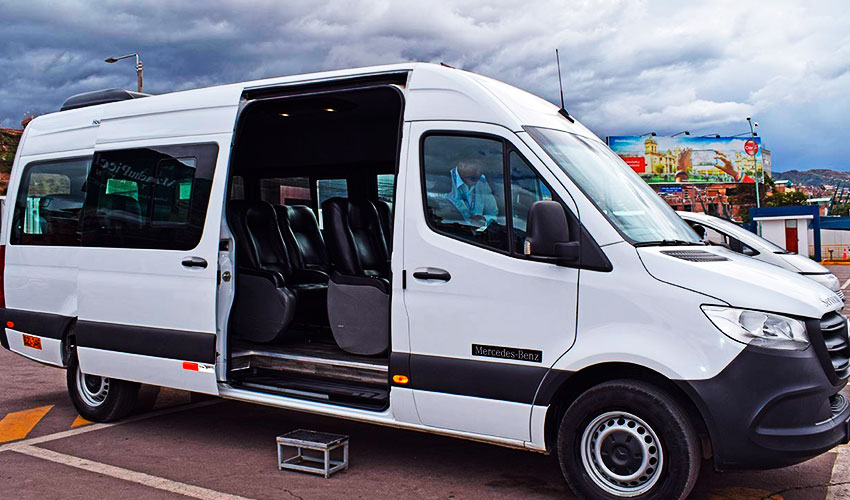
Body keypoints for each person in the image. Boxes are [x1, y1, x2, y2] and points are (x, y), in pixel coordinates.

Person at [444, 158, 499, 227]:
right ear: (461, 165)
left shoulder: (481, 182)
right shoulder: (444, 182)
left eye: (481, 170)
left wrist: (484, 220)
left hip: (475, 234)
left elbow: (492, 213)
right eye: (475, 169)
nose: (478, 174)